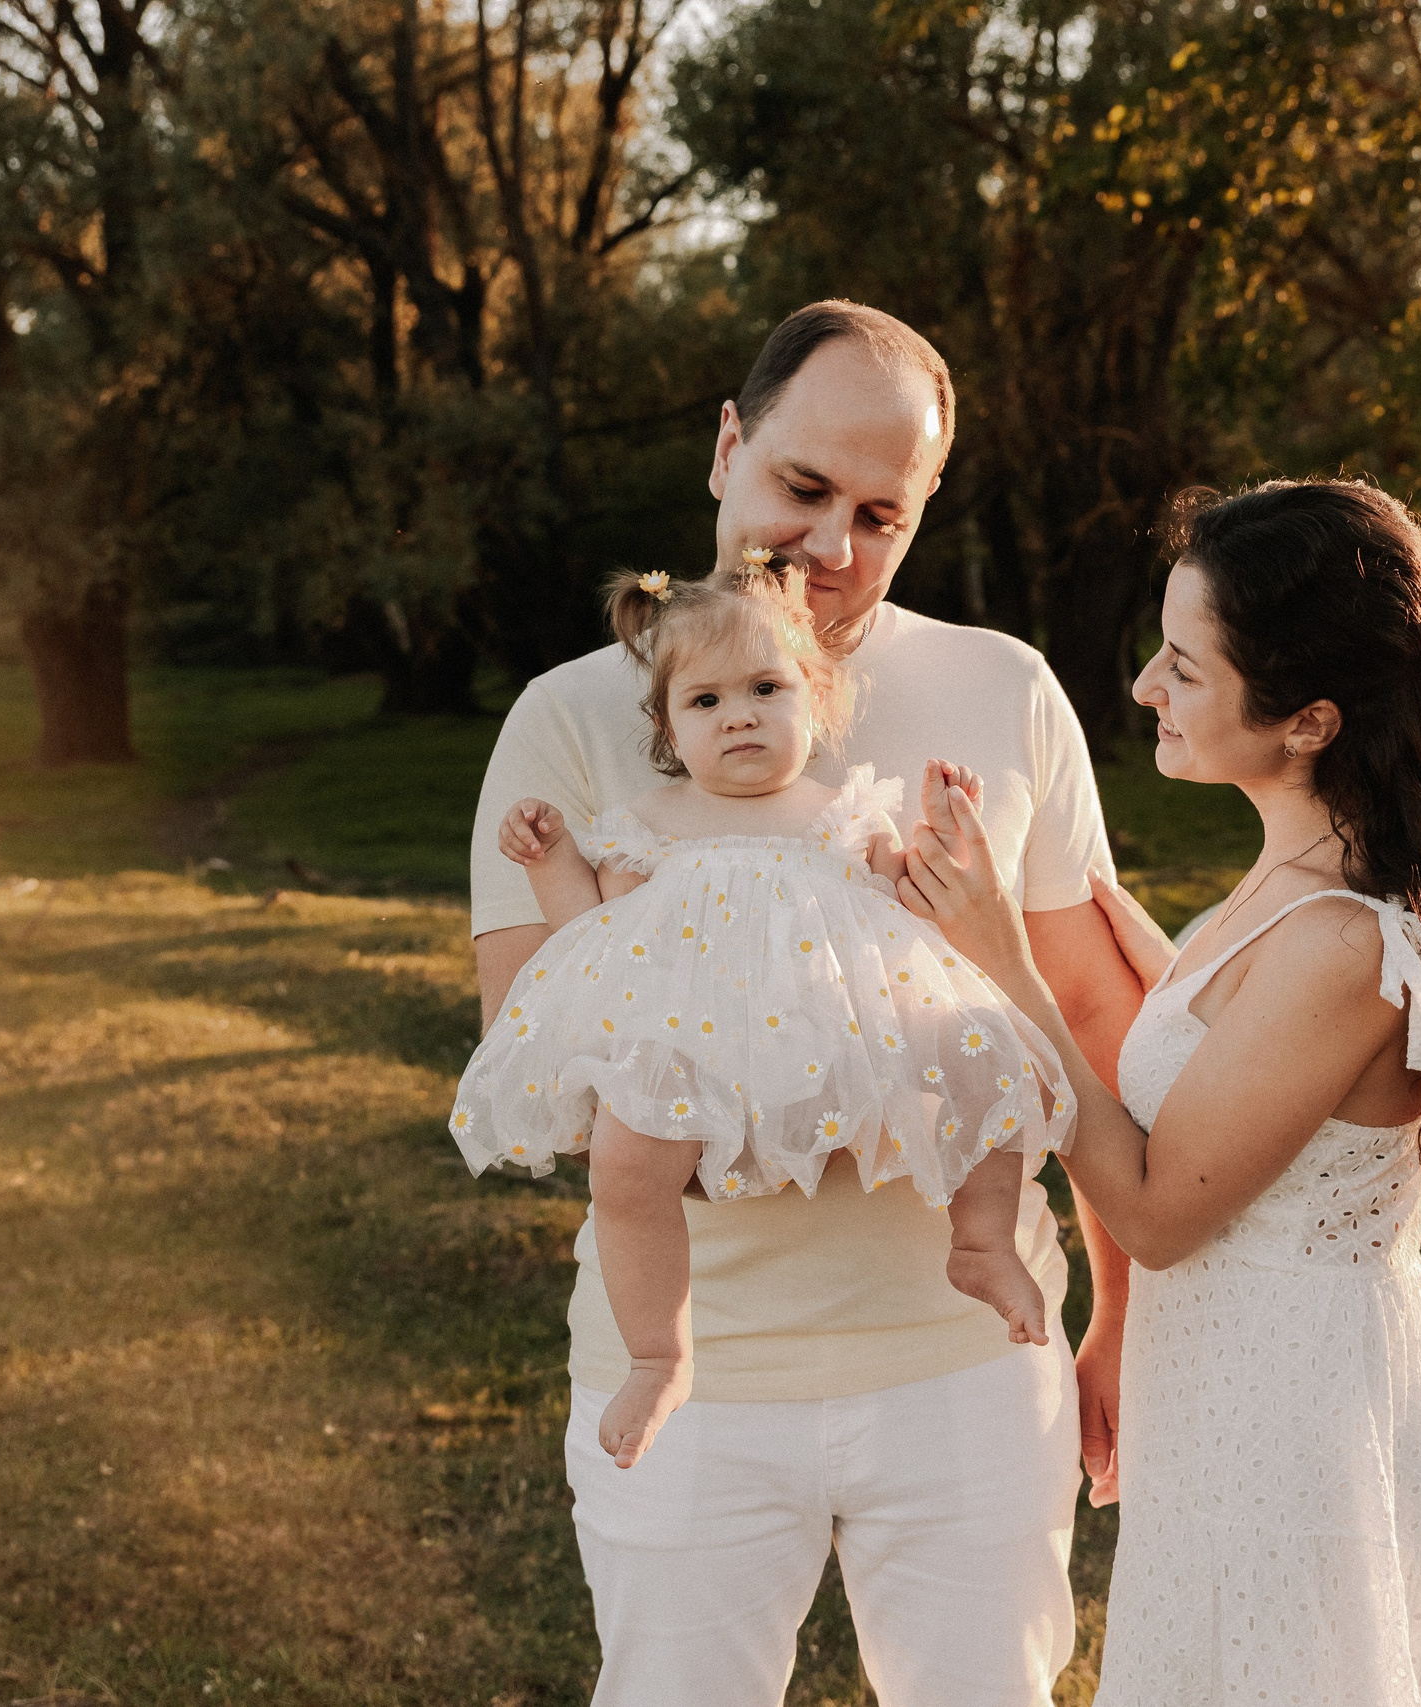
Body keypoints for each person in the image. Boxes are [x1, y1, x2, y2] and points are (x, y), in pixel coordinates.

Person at [465, 300, 1146, 1707]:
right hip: (694, 1386)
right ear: (727, 446)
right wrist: (799, 1110)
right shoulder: (570, 718)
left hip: (971, 1368)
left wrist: (1120, 1321)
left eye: (881, 512)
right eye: (802, 487)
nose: (833, 544)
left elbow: (1082, 1025)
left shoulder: (1003, 690)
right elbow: (540, 1030)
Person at [895, 478, 1421, 1705]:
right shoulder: (1292, 886)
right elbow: (1211, 1042)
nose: (1147, 687)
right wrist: (1083, 921)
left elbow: (1156, 1211)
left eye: (1183, 670)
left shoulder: (1341, 944)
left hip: (1285, 1420)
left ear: (1306, 720)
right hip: (1231, 1389)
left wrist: (1008, 961)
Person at [452, 553, 1074, 1468]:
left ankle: (982, 1240)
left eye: (765, 688)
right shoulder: (646, 823)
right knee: (627, 1162)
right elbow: (590, 934)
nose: (738, 713)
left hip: (838, 1030)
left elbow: (910, 908)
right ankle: (660, 1352)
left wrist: (943, 831)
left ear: (815, 702)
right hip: (688, 1054)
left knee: (983, 1050)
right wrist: (548, 861)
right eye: (705, 702)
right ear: (668, 728)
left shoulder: (844, 814)